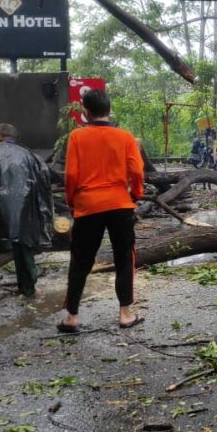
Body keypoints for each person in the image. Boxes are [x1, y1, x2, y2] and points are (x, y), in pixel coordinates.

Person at [57, 89, 145, 332]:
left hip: (88, 206)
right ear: (109, 110)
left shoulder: (77, 136)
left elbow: (71, 174)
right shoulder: (125, 137)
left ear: (85, 112)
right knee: (124, 258)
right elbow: (137, 171)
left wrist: (72, 200)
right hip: (120, 204)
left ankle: (72, 316)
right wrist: (136, 194)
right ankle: (125, 314)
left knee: (80, 261)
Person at [0, 124, 53, 299]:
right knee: (23, 248)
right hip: (20, 212)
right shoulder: (30, 156)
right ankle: (28, 289)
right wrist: (44, 220)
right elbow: (44, 185)